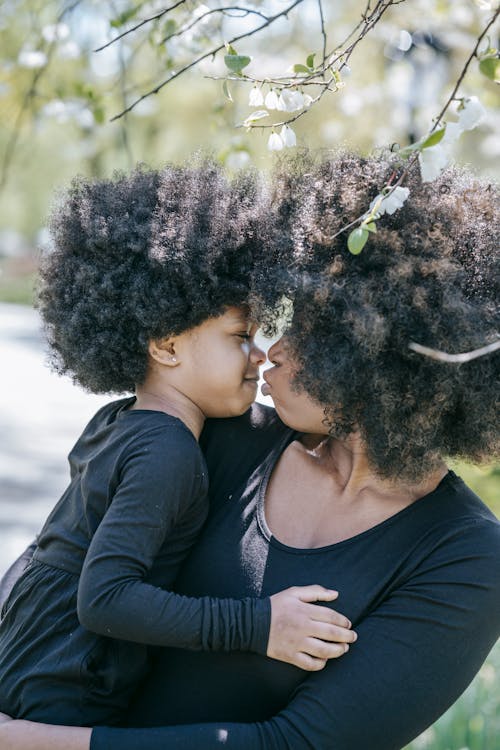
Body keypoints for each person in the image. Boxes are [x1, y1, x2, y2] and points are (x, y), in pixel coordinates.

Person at [0, 152, 498, 750]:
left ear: (380, 356)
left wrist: (33, 742)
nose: (272, 350)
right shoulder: (209, 439)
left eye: (309, 331)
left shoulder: (465, 557)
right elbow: (55, 576)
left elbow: (297, 746)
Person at [0, 161, 356, 728]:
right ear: (166, 346)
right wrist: (260, 626)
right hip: (64, 679)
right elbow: (106, 598)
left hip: (34, 647)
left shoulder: (118, 420)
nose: (260, 354)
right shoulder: (166, 451)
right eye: (241, 336)